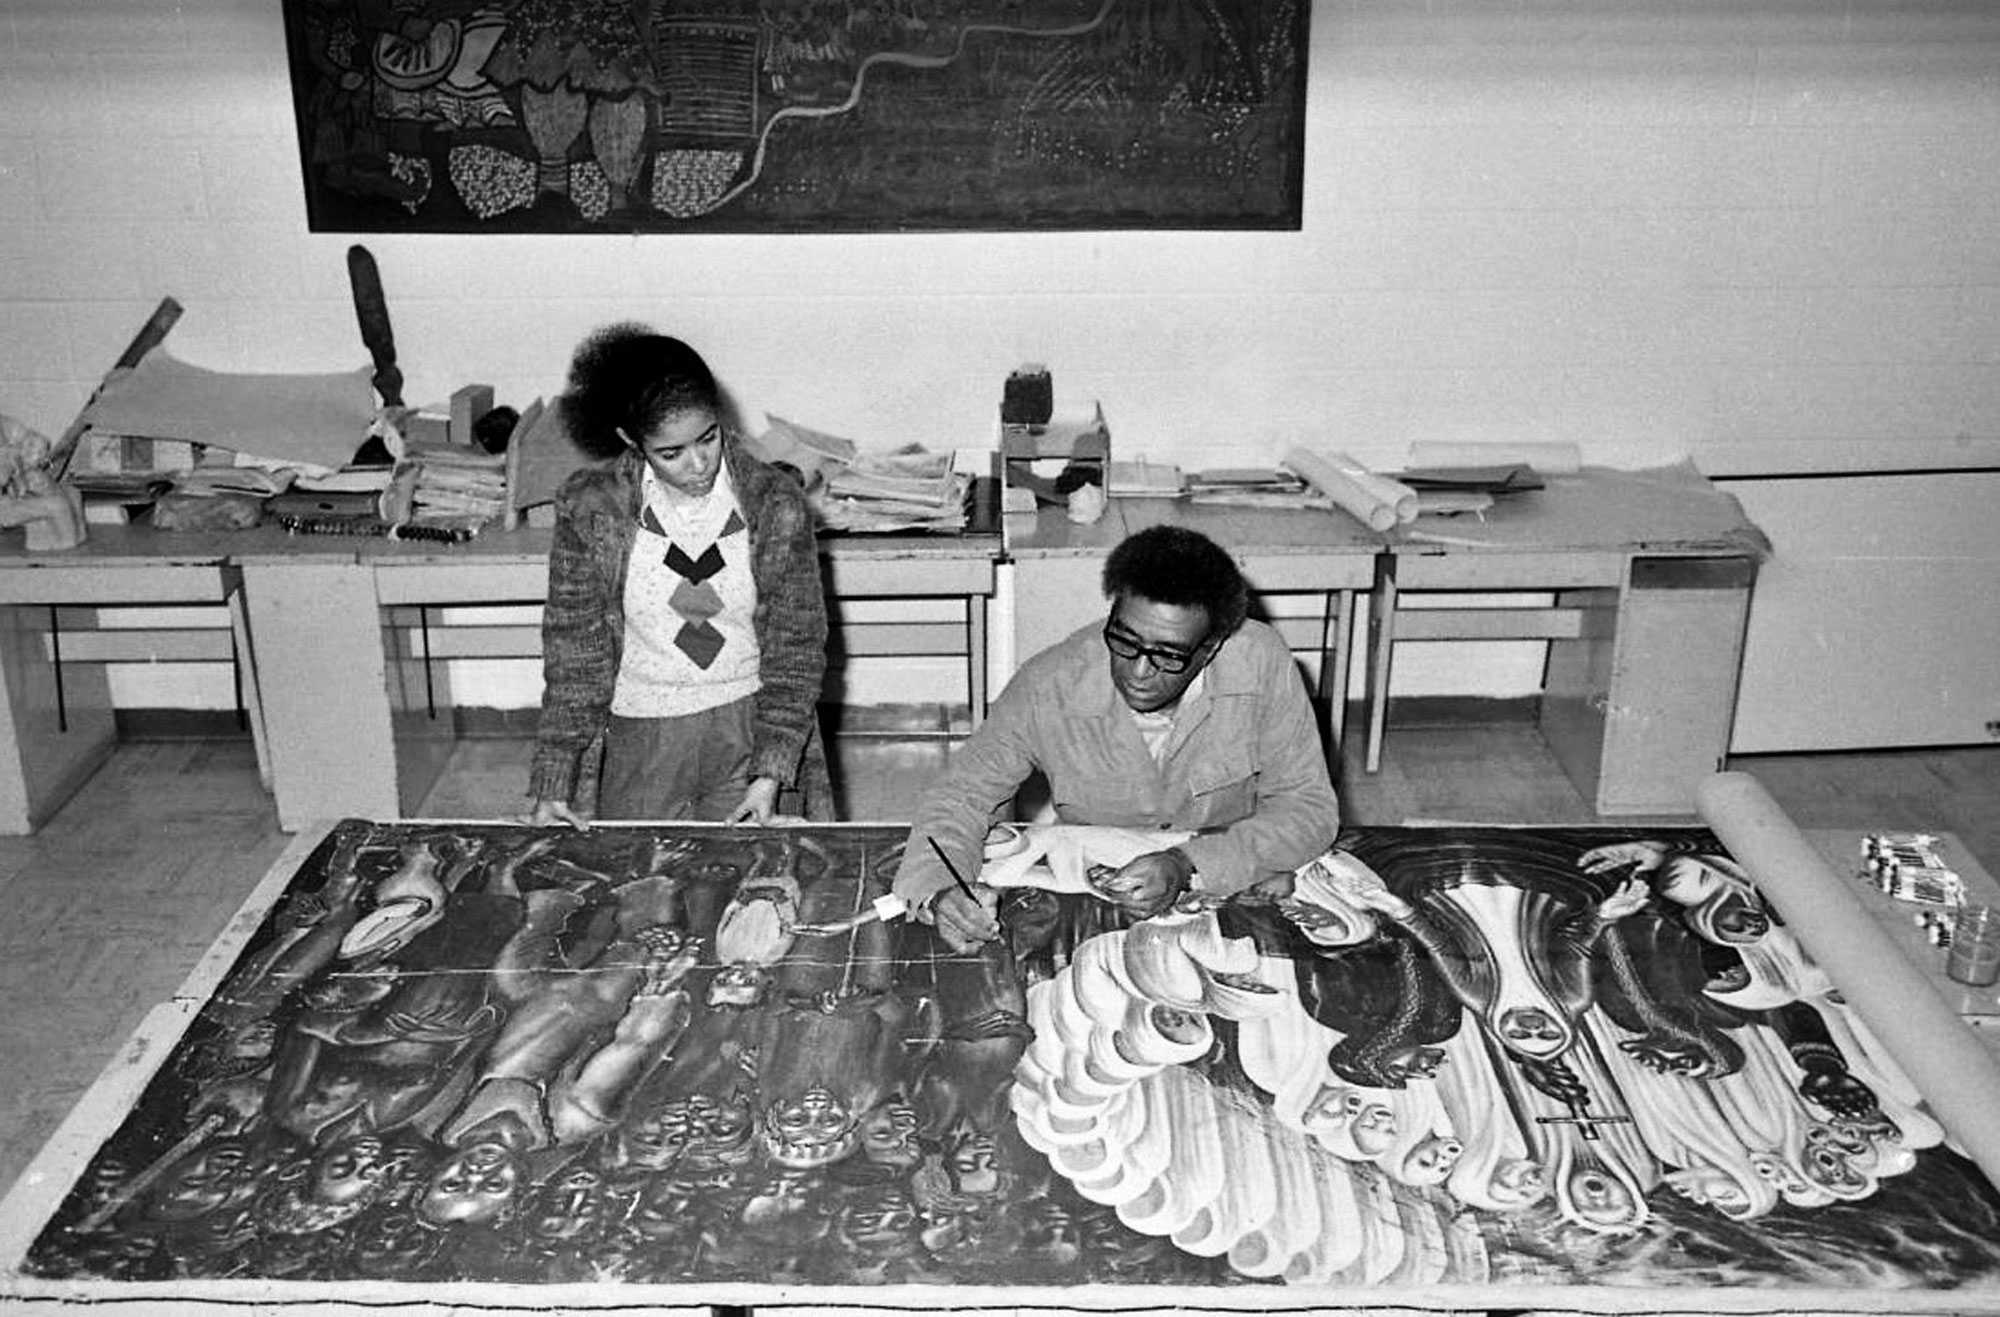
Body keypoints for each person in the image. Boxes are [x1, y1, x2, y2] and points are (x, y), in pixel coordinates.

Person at [892, 524, 1339, 949]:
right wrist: (940, 890)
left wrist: (1187, 864)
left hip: (1232, 877)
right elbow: (960, 797)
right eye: (1124, 640)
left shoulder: (1262, 663)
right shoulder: (1052, 682)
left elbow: (1308, 809)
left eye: (1168, 656)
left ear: (1211, 647)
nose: (1138, 672)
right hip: (1095, 898)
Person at [526, 323, 831, 826]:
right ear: (631, 441)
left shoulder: (776, 504)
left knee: (761, 890)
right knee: (637, 890)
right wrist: (554, 778)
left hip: (750, 728)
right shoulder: (590, 507)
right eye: (671, 453)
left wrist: (771, 771)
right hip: (641, 733)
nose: (698, 464)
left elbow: (796, 645)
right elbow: (573, 651)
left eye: (707, 438)